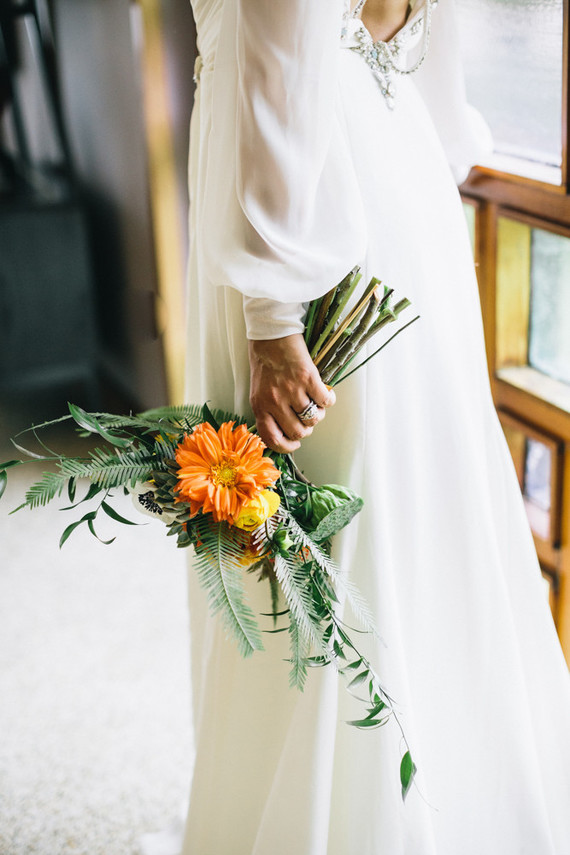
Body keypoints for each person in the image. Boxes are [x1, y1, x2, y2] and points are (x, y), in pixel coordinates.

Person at [145, 1, 570, 852]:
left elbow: (277, 36)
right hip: (391, 165)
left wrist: (273, 306)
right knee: (393, 512)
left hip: (303, 204)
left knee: (320, 528)